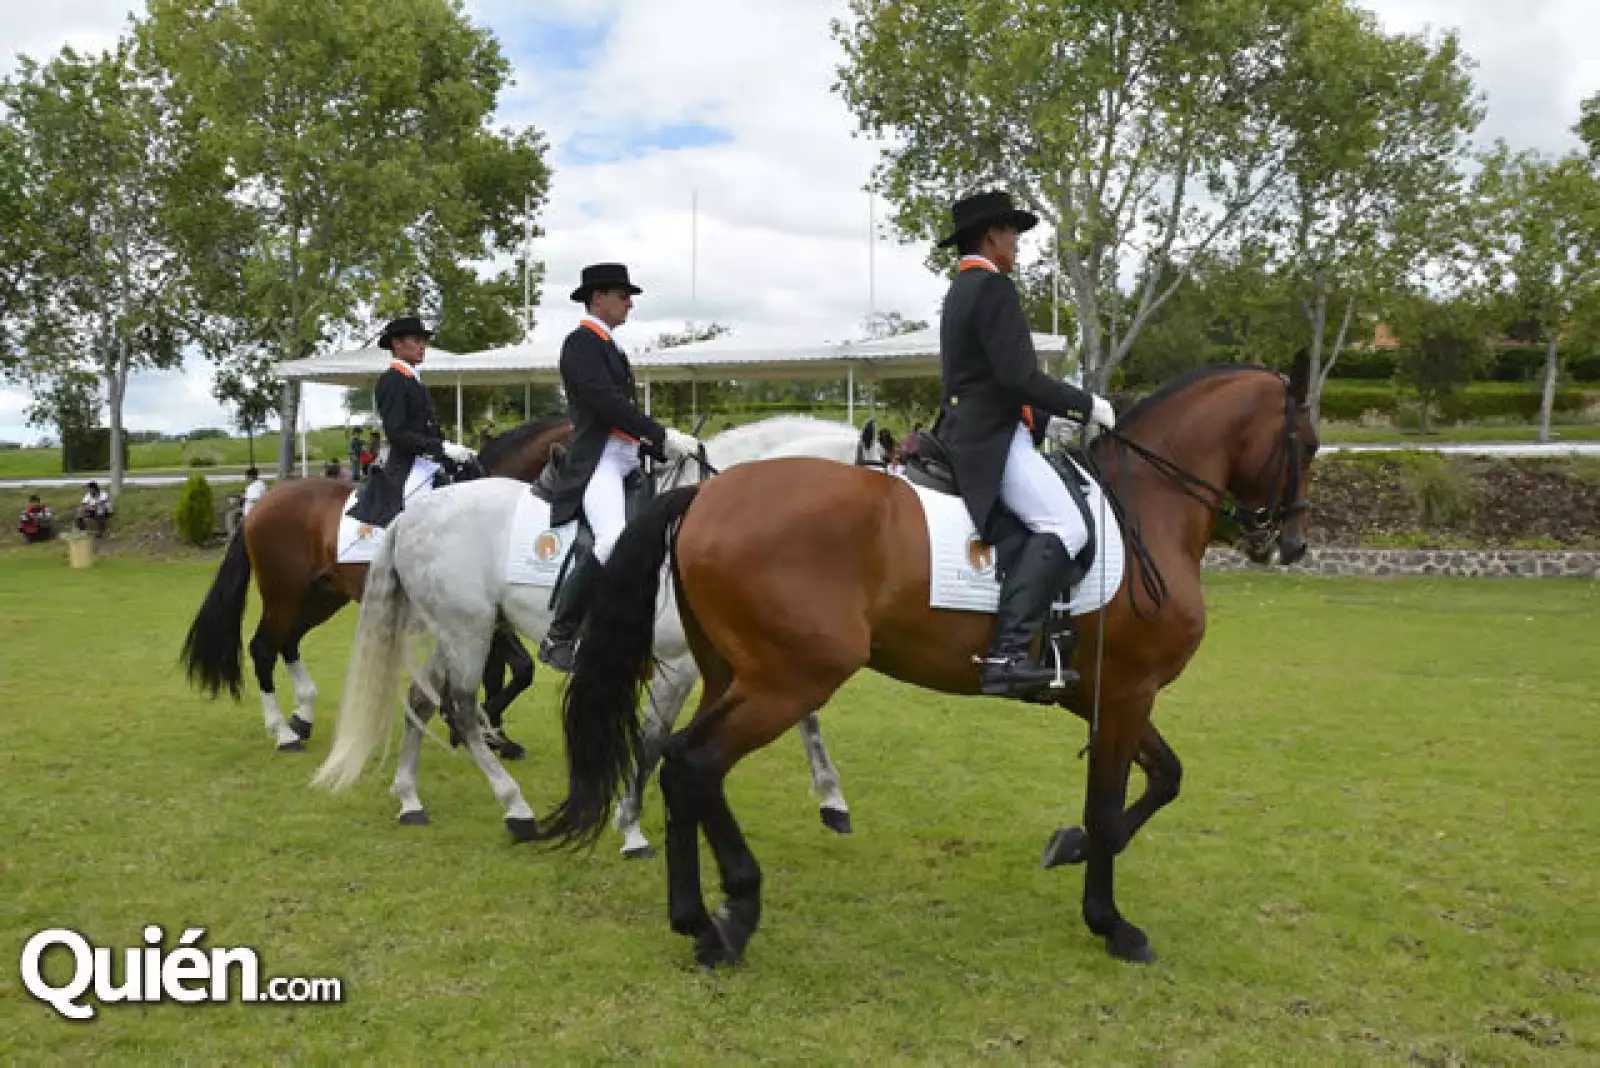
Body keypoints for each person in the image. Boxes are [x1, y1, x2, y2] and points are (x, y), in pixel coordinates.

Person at [933, 189, 1116, 696]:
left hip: (970, 429)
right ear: (991, 236)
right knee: (1068, 525)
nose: (1016, 244)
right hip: (990, 439)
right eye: (1012, 233)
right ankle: (1009, 655)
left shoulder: (960, 289)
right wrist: (1086, 405)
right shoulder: (992, 289)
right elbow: (1019, 378)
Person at [537, 263, 700, 672]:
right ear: (597, 297)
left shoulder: (611, 346)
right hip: (598, 461)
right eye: (623, 295)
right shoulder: (580, 344)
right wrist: (660, 435)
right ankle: (560, 634)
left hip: (628, 458)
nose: (629, 303)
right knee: (612, 541)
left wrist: (660, 445)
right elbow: (605, 405)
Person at [345, 316, 477, 527]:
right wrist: (440, 446)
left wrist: (451, 451)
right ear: (397, 343)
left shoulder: (413, 380)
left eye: (423, 341)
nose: (422, 346)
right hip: (407, 467)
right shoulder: (393, 380)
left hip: (427, 461)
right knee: (417, 519)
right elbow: (397, 433)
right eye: (416, 340)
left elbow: (427, 427)